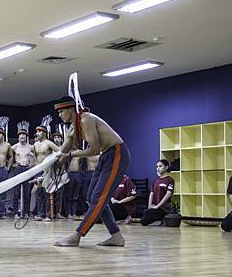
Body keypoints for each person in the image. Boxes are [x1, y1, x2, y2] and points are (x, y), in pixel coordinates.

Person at [54, 96, 130, 247]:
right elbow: (63, 149)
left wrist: (69, 156)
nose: (59, 115)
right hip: (106, 156)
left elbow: (94, 150)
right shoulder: (74, 125)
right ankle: (116, 236)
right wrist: (47, 169)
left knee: (98, 198)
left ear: (70, 109)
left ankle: (77, 235)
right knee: (91, 197)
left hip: (116, 153)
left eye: (61, 111)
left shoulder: (85, 119)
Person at [29, 126, 59, 221]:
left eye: (39, 132)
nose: (37, 133)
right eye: (36, 132)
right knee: (39, 194)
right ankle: (41, 214)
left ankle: (49, 215)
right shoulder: (35, 144)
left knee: (47, 193)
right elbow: (34, 155)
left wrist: (53, 165)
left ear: (44, 133)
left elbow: (59, 152)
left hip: (47, 171)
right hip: (38, 170)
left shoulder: (49, 143)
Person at [141, 160, 175, 226]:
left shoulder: (170, 180)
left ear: (166, 167)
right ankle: (158, 221)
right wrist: (149, 206)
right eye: (157, 167)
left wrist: (157, 206)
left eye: (160, 166)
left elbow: (168, 194)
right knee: (144, 218)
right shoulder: (155, 180)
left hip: (163, 208)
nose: (158, 168)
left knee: (146, 219)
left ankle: (161, 220)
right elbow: (151, 194)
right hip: (154, 208)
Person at [10, 121, 32, 219]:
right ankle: (16, 213)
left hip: (27, 169)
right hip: (18, 169)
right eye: (20, 135)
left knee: (27, 193)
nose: (22, 136)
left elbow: (36, 157)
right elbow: (7, 156)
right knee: (16, 193)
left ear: (26, 136)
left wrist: (32, 165)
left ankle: (26, 213)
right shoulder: (14, 147)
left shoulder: (31, 147)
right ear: (18, 137)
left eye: (23, 134)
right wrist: (12, 164)